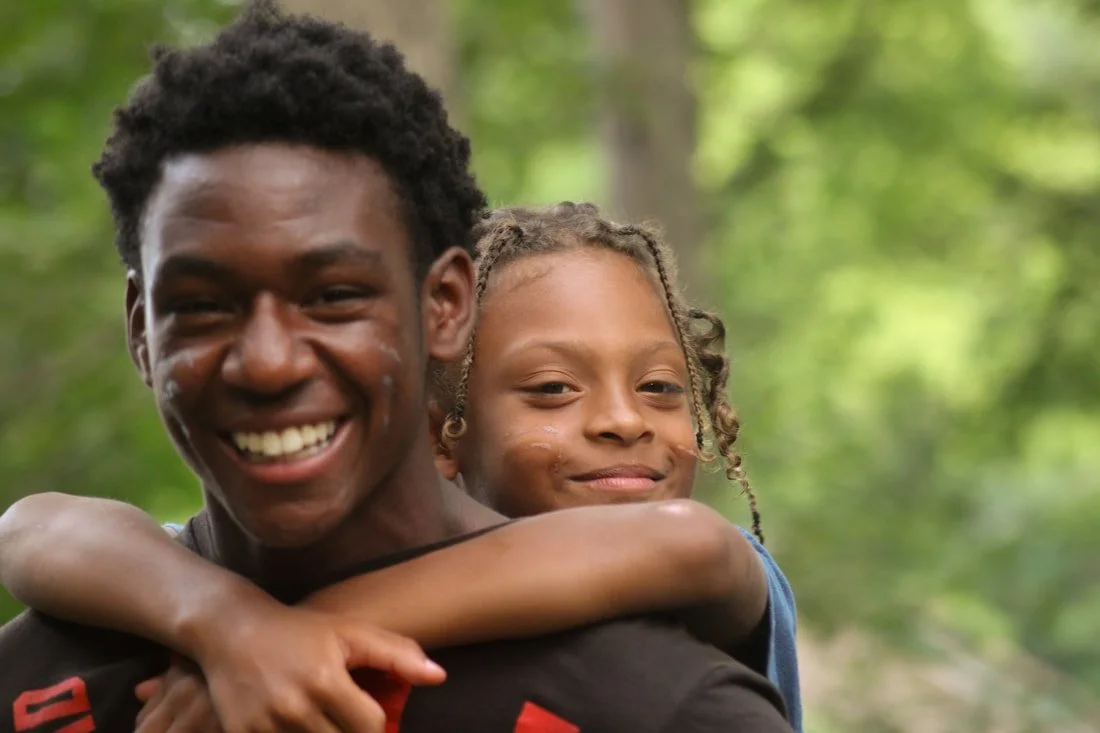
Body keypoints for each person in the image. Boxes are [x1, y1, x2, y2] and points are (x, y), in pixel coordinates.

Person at [0, 3, 792, 733]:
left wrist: (295, 635)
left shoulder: (665, 695)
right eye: (205, 304)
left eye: (335, 295)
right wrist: (231, 626)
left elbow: (691, 546)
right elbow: (33, 528)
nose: (269, 362)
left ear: (442, 307)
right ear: (141, 328)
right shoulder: (53, 662)